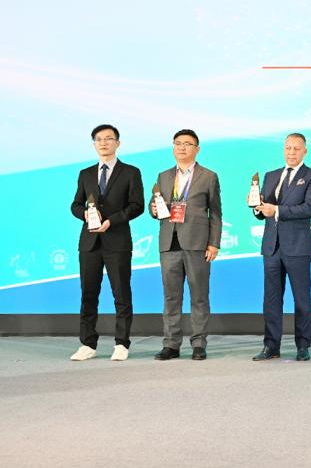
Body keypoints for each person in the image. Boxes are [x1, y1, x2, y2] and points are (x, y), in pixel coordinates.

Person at [68, 124, 144, 361]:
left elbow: (137, 206)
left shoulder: (131, 172)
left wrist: (112, 220)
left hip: (117, 241)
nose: (103, 143)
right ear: (94, 144)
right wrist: (85, 214)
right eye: (99, 139)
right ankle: (87, 344)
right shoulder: (85, 174)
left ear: (117, 143)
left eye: (109, 138)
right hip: (89, 242)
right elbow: (75, 204)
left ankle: (121, 343)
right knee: (88, 294)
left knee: (121, 293)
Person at [149, 129, 221, 361]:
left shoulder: (208, 176)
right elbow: (155, 206)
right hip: (169, 242)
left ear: (196, 149)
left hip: (197, 243)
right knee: (171, 297)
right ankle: (171, 344)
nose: (182, 147)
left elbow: (215, 213)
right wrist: (154, 209)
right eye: (178, 143)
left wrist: (214, 243)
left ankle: (199, 344)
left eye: (187, 144)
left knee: (199, 296)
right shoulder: (163, 176)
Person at [251, 133, 311, 362]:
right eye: (288, 148)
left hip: (298, 247)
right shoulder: (271, 175)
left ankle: (303, 346)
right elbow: (264, 211)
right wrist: (256, 206)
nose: (291, 152)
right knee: (271, 300)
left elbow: (309, 208)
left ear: (305, 151)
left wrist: (277, 210)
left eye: (296, 148)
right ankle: (271, 346)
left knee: (302, 299)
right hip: (271, 246)